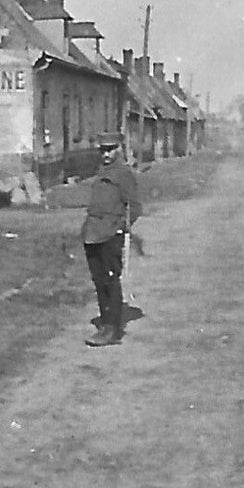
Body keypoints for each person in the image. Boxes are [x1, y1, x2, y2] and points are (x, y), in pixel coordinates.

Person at [83, 132, 142, 347]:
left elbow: (134, 206)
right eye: (102, 150)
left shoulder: (124, 173)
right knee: (99, 280)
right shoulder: (102, 172)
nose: (106, 154)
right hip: (92, 233)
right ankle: (105, 321)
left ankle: (113, 329)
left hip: (110, 234)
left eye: (110, 150)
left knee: (110, 280)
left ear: (118, 149)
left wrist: (122, 228)